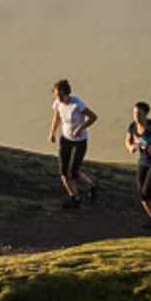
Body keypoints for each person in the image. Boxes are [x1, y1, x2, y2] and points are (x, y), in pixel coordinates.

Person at [48, 79, 98, 207]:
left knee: (73, 172)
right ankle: (74, 197)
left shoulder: (77, 104)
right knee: (64, 172)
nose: (58, 98)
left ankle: (91, 185)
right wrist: (52, 132)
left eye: (60, 95)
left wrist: (80, 128)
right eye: (56, 95)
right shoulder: (57, 104)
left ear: (67, 93)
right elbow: (57, 118)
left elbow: (93, 117)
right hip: (65, 139)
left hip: (79, 141)